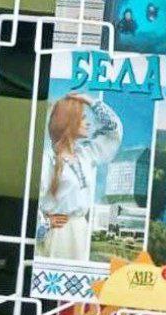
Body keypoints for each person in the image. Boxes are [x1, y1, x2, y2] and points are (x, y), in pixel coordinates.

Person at [38, 94, 123, 260]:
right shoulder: (48, 160)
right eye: (82, 118)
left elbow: (113, 132)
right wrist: (45, 223)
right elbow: (31, 200)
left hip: (80, 231)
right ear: (70, 122)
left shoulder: (86, 155)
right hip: (58, 234)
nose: (88, 123)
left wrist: (90, 101)